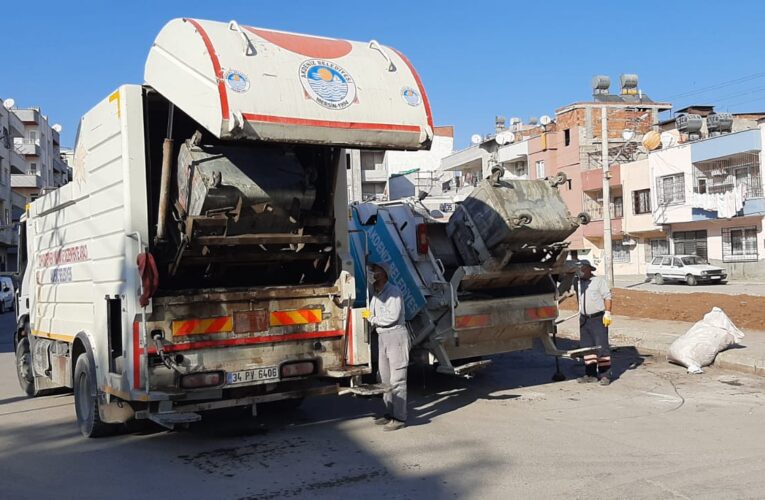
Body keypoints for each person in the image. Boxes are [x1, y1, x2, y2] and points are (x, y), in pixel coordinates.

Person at [363, 261, 410, 431]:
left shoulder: (394, 292)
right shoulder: (375, 293)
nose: (372, 272)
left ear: (383, 273)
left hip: (395, 335)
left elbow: (392, 316)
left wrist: (372, 319)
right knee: (385, 378)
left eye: (374, 270)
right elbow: (371, 312)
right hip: (382, 336)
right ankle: (390, 413)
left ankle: (399, 417)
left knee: (397, 379)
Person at [572, 260, 613, 385]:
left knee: (601, 347)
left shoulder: (599, 281)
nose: (581, 271)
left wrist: (608, 313)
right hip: (584, 319)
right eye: (579, 269)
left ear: (590, 269)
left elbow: (607, 297)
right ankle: (590, 375)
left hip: (598, 318)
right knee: (587, 348)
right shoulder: (577, 282)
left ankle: (605, 375)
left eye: (583, 268)